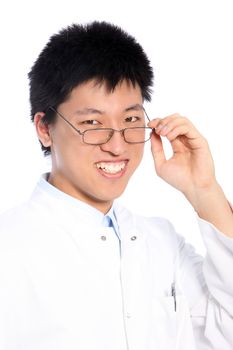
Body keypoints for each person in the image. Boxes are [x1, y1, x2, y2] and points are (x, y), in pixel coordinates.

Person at [0, 21, 232, 350]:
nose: (118, 146)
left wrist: (204, 191)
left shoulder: (162, 242)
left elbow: (225, 331)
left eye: (131, 120)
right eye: (92, 123)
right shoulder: (8, 248)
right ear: (44, 128)